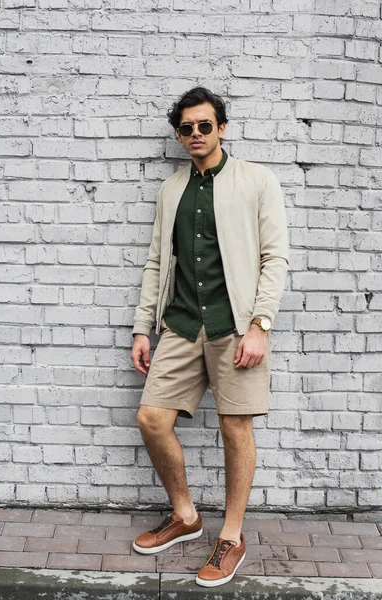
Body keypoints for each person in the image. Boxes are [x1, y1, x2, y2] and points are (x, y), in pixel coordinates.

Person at [130, 87, 289, 587]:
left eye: (204, 125)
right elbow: (158, 261)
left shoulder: (257, 180)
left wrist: (261, 324)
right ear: (178, 134)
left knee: (235, 428)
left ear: (222, 127)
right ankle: (186, 515)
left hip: (235, 325)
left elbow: (274, 258)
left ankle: (232, 536)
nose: (195, 134)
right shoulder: (172, 189)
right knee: (152, 418)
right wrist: (142, 326)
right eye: (186, 128)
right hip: (180, 322)